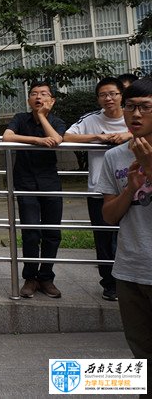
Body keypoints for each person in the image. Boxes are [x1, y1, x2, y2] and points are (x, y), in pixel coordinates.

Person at [97, 77, 152, 360]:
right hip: (129, 269)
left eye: (145, 107)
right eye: (130, 107)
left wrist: (149, 168)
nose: (136, 114)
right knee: (141, 351)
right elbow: (109, 215)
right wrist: (130, 189)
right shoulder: (114, 157)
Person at [63, 77, 131, 301]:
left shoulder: (132, 115)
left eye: (113, 94)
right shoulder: (91, 119)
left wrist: (127, 135)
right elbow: (67, 136)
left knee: (132, 236)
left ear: (122, 95)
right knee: (104, 239)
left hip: (133, 188)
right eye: (103, 95)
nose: (108, 98)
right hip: (99, 189)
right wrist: (97, 138)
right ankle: (110, 285)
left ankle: (132, 283)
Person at [2, 82, 67, 299]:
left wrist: (42, 117)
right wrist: (37, 140)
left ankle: (46, 277)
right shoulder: (20, 119)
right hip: (25, 182)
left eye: (44, 94)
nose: (38, 97)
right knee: (30, 233)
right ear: (28, 99)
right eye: (34, 94)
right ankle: (30, 278)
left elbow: (56, 139)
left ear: (52, 100)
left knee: (52, 233)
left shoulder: (56, 121)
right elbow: (7, 137)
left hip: (50, 182)